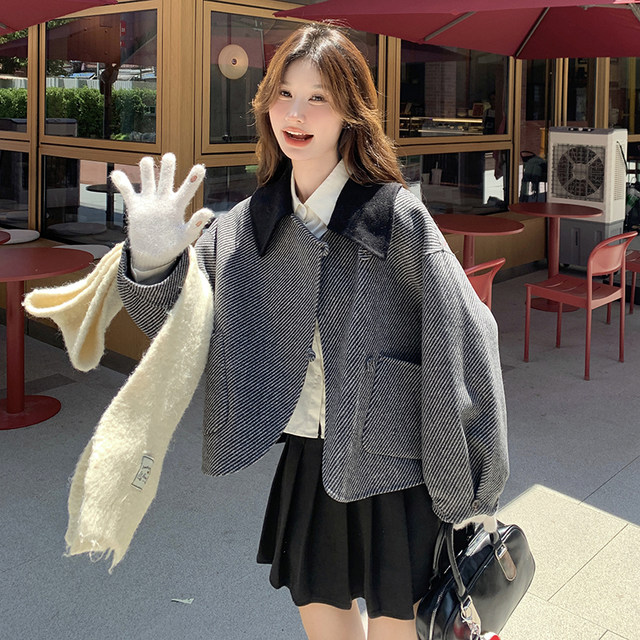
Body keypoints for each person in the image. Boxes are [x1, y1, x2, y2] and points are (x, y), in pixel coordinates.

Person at [111, 24, 508, 640]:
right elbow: (179, 328)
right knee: (324, 628)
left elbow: (465, 334)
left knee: (398, 632)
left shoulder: (394, 216)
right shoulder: (250, 224)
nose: (295, 114)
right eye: (284, 94)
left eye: (318, 97)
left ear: (350, 111)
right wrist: (152, 262)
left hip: (399, 465)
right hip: (309, 456)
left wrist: (472, 485)